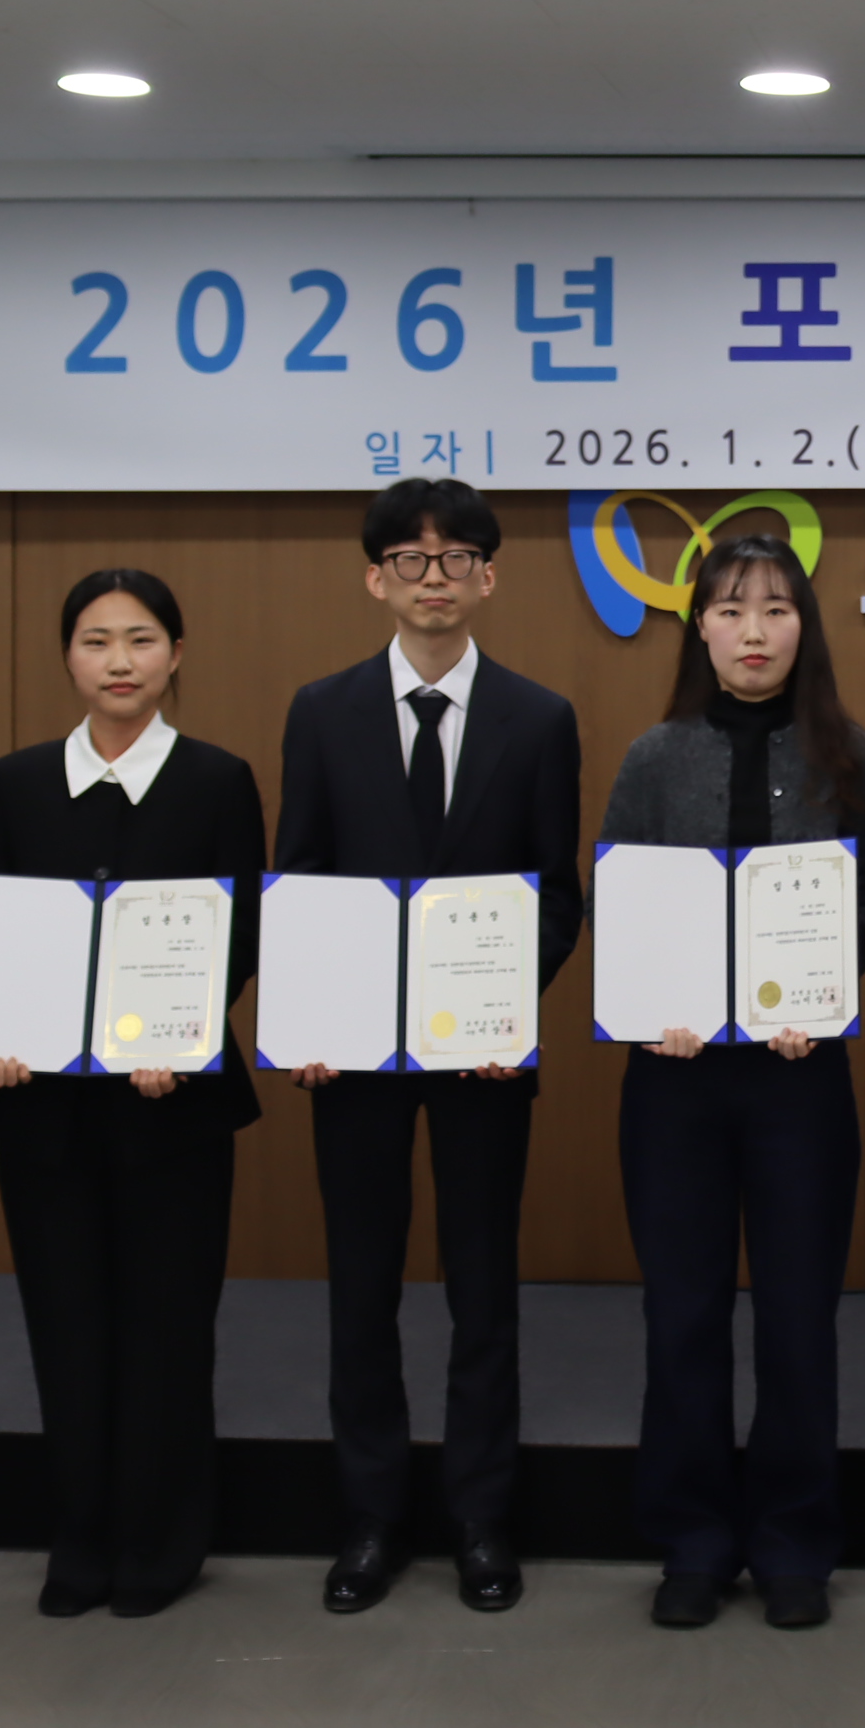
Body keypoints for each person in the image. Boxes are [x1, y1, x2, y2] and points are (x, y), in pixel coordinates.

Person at [276, 479, 587, 1617]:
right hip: (351, 1058)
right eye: (410, 558)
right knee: (360, 1287)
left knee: (482, 1288)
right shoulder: (322, 710)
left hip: (482, 1058)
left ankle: (480, 1516)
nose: (434, 576)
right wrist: (309, 1016)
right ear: (377, 579)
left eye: (457, 557)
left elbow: (557, 896)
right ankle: (369, 1517)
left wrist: (506, 1009)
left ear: (488, 577)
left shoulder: (539, 717)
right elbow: (300, 878)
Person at [599, 533, 865, 1632]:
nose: (754, 632)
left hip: (796, 1080)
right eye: (729, 611)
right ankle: (691, 1540)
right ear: (700, 629)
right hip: (675, 1083)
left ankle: (793, 1541)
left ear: (803, 627)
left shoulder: (849, 755)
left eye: (775, 609)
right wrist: (652, 1004)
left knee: (796, 1318)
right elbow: (618, 892)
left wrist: (818, 990)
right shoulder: (653, 756)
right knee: (680, 1314)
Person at [0, 569, 266, 1619]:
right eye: (96, 640)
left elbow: (240, 935)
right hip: (42, 1112)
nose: (120, 660)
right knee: (66, 1328)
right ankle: (80, 1537)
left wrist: (183, 1034)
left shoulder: (219, 780)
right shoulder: (14, 783)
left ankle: (159, 1542)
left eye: (141, 639)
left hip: (172, 1105)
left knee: (167, 1331)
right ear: (68, 657)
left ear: (176, 654)